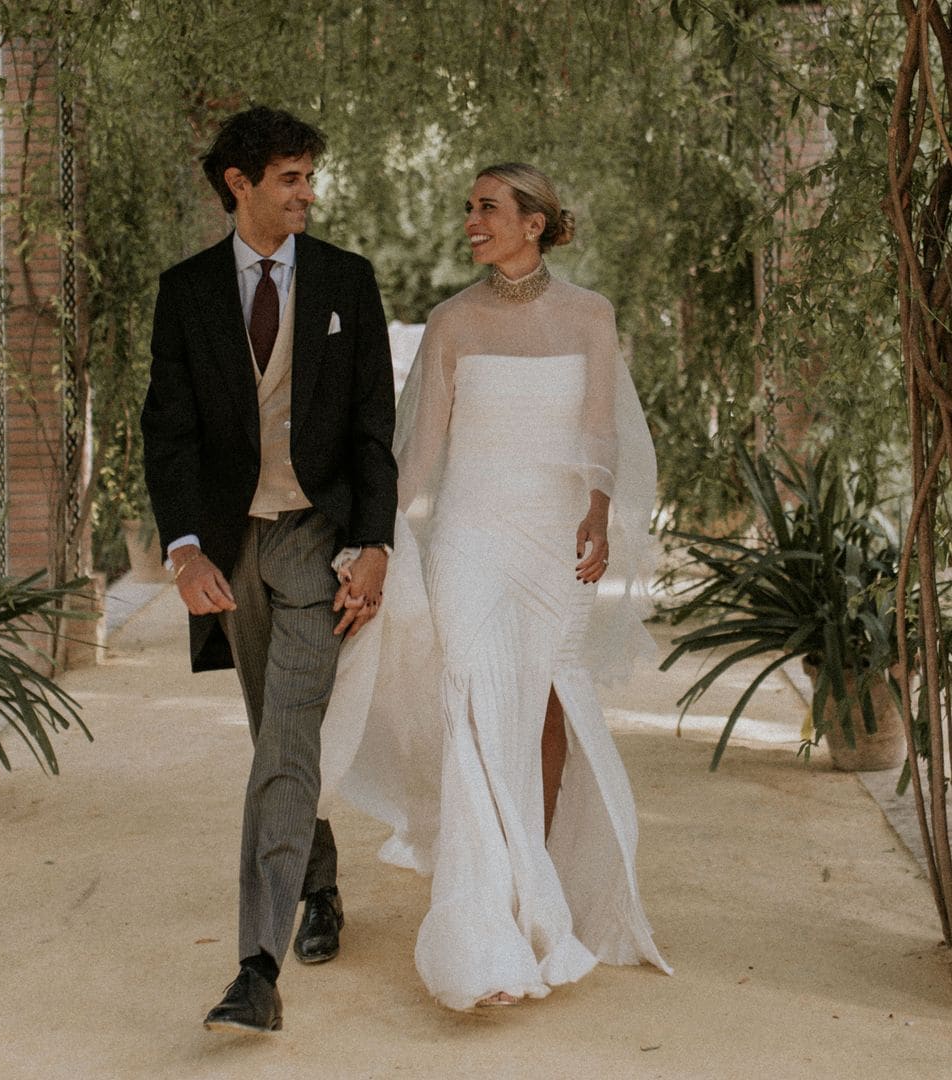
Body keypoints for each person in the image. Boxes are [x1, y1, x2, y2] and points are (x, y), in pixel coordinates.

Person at [325, 162, 671, 1010]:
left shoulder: (591, 315)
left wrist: (596, 511)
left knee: (548, 696)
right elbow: (421, 451)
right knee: (477, 696)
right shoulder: (451, 323)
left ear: (536, 223)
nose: (472, 220)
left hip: (555, 536)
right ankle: (482, 920)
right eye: (470, 207)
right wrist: (377, 540)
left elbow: (600, 430)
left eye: (488, 208)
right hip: (471, 536)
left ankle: (536, 881)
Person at [141, 105, 397, 1034]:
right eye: (289, 177)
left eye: (309, 176)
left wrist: (374, 546)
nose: (307, 193)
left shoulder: (347, 281)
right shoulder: (186, 292)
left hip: (313, 542)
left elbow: (374, 428)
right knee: (273, 738)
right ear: (238, 184)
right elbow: (167, 435)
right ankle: (318, 884)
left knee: (288, 735)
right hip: (228, 550)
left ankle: (256, 967)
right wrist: (184, 551)